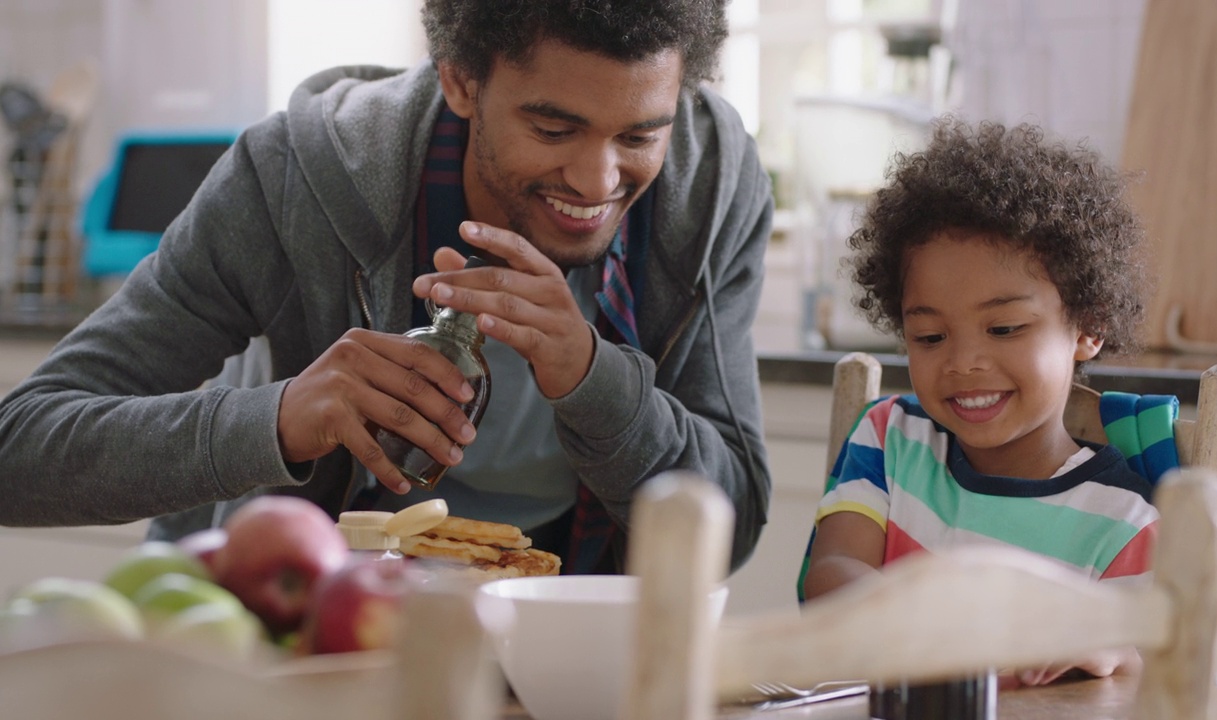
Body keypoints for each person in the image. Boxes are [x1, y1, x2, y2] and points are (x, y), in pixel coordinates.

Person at [0, 0, 773, 575]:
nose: (597, 181)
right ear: (462, 82)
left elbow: (728, 528)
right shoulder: (293, 177)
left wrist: (595, 382)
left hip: (566, 647)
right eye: (553, 130)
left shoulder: (710, 193)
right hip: (298, 634)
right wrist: (281, 419)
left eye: (639, 136)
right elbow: (20, 452)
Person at [801, 117, 1153, 686]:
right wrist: (947, 630)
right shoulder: (890, 439)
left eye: (1006, 328)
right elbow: (831, 576)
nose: (963, 362)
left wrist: (1113, 647)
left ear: (1088, 327)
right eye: (931, 338)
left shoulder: (1123, 521)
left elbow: (1144, 674)